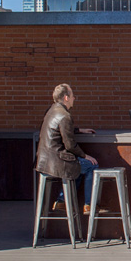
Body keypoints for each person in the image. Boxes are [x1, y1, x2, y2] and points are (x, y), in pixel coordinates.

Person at [35, 83, 98, 211]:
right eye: (72, 96)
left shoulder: (51, 110)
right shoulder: (65, 115)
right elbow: (70, 145)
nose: (74, 98)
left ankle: (62, 200)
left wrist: (80, 130)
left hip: (44, 161)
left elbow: (59, 129)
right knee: (91, 165)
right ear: (66, 98)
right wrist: (85, 155)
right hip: (57, 162)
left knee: (79, 168)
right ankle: (89, 205)